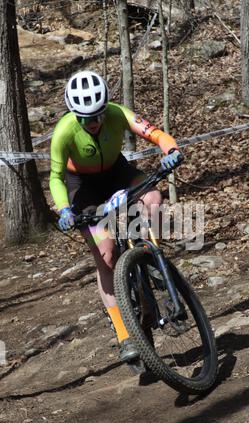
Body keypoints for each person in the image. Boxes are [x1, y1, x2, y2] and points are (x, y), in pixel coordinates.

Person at [49, 70, 182, 363]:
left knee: (153, 198)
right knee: (107, 257)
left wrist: (170, 149)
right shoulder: (64, 131)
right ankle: (123, 334)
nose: (93, 123)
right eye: (85, 118)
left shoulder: (118, 113)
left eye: (97, 115)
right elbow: (55, 177)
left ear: (105, 107)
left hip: (117, 172)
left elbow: (154, 133)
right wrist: (64, 210)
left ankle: (151, 255)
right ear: (75, 114)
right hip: (82, 187)